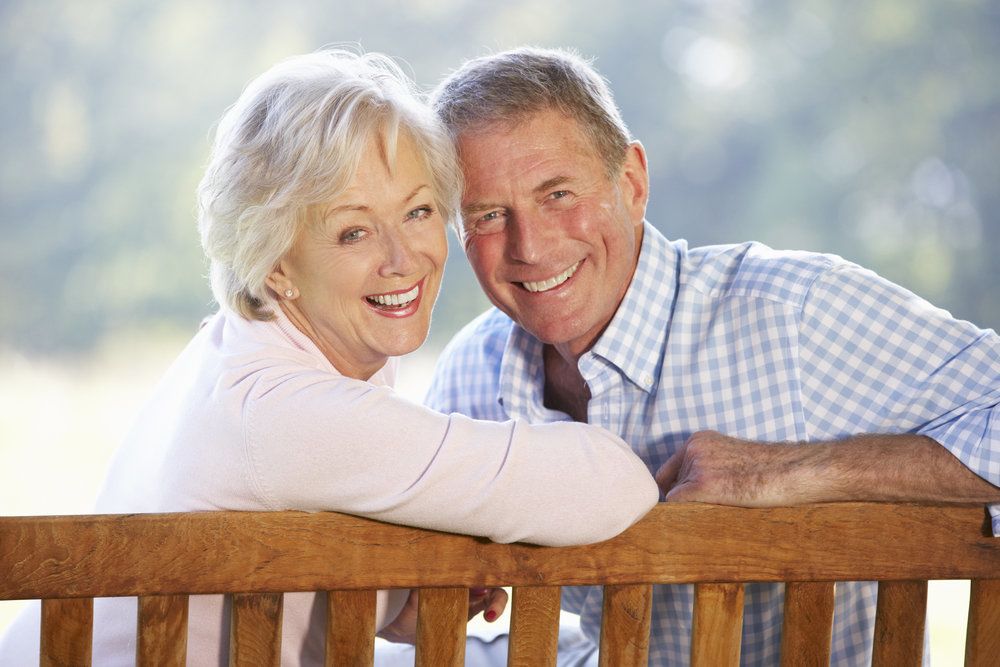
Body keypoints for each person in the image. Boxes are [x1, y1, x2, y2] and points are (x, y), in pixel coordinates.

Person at [0, 50, 659, 666]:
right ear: (278, 261)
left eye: (419, 211)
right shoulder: (284, 409)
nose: (404, 259)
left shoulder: (248, 347)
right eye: (352, 230)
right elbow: (616, 483)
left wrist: (410, 591)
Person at [425, 46, 1000, 665]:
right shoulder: (471, 374)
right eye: (487, 215)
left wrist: (785, 473)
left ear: (633, 182)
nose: (530, 247)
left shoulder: (791, 314)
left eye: (558, 193)